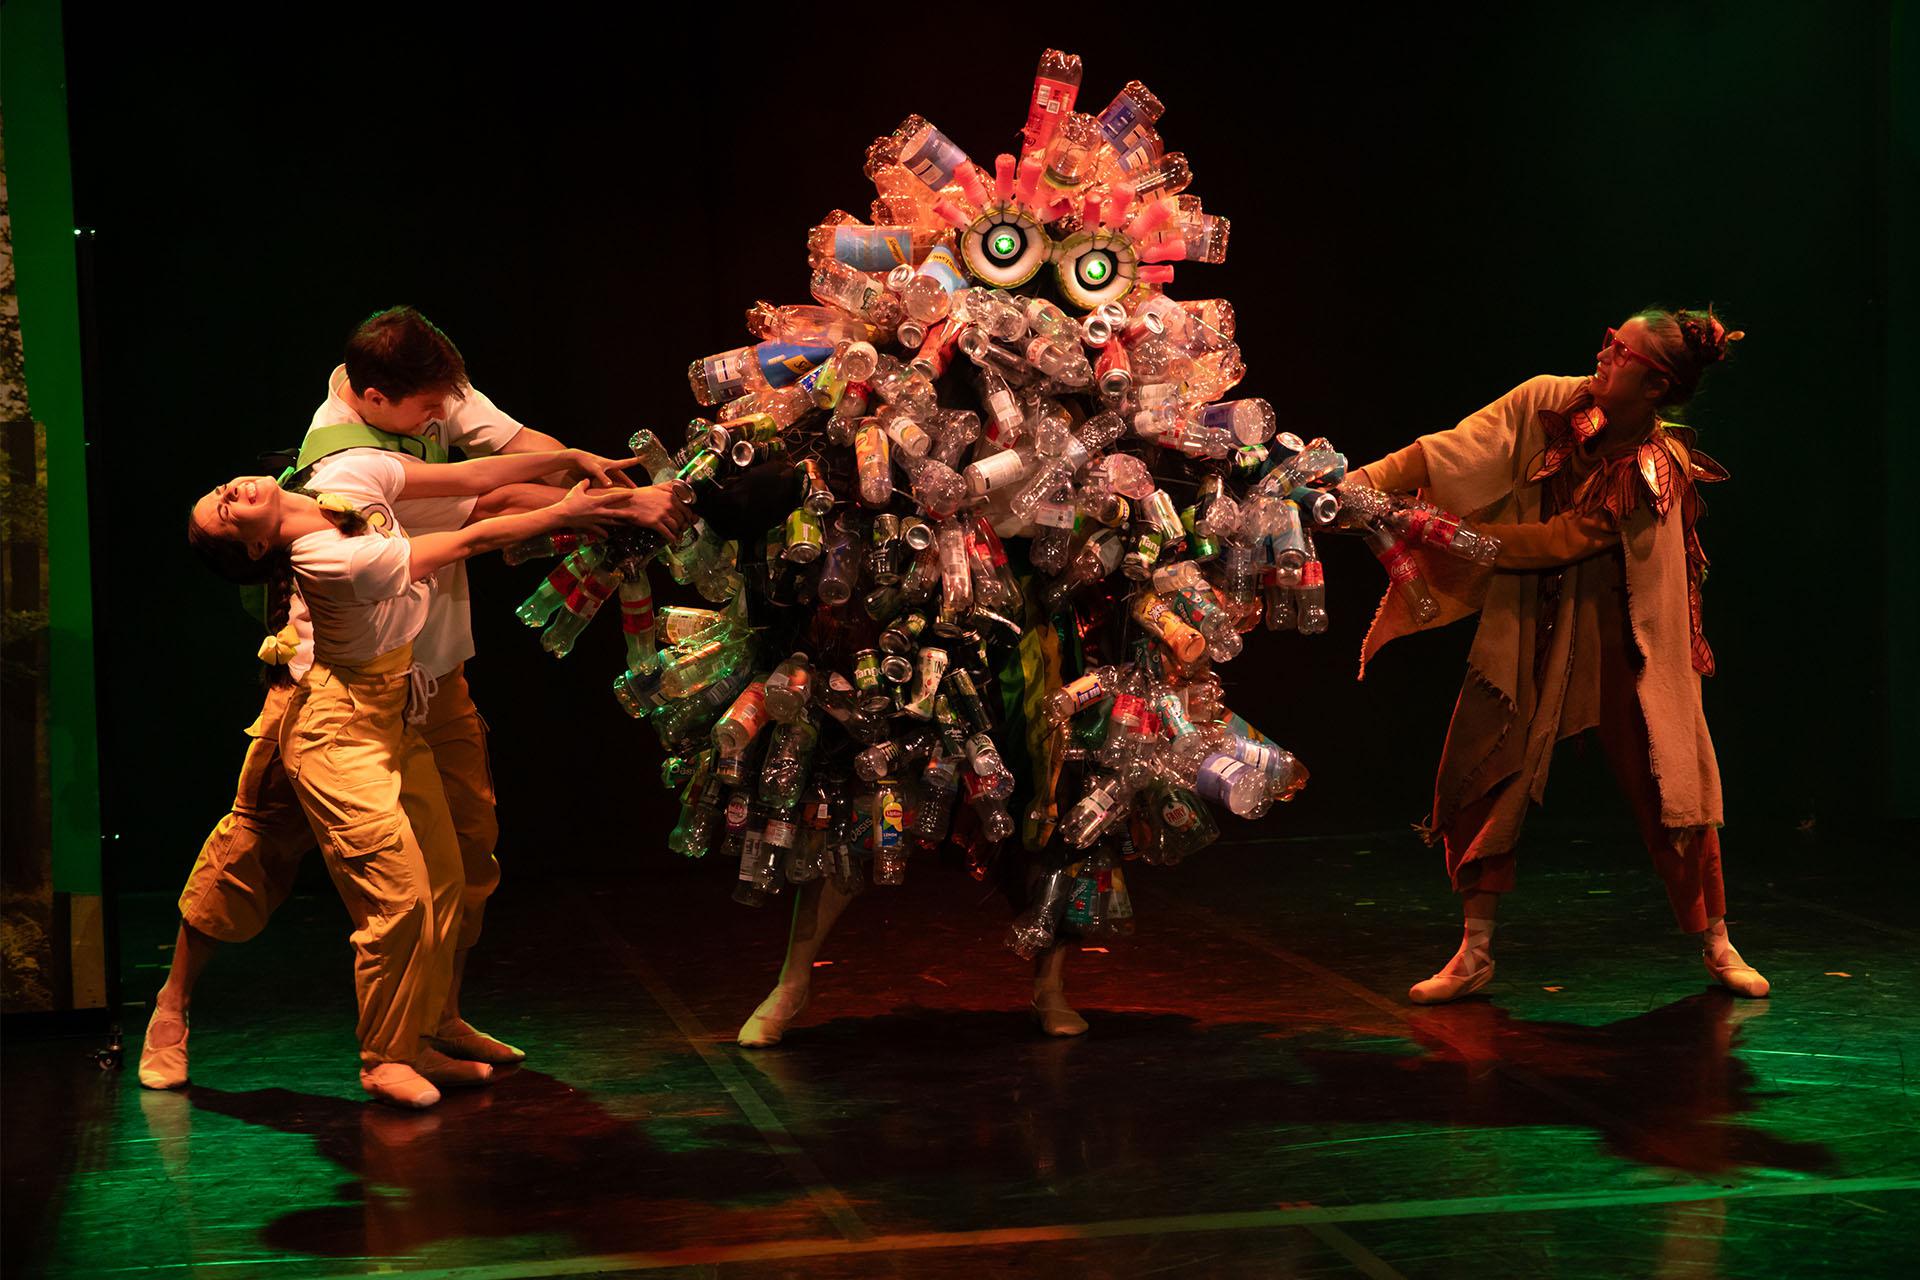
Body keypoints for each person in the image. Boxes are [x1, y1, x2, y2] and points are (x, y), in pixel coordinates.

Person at [141, 306, 688, 1090]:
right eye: (430, 409)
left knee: (463, 859)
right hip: (321, 695)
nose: (444, 416)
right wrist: (602, 505)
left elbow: (496, 457)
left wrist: (584, 463)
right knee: (253, 853)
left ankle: (431, 1019)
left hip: (428, 677)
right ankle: (172, 1002)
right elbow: (480, 516)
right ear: (371, 397)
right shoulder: (339, 471)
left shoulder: (419, 390)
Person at [1350, 307, 1769, 1005]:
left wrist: (1443, 530)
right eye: (1609, 339)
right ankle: (1475, 949)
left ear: (1656, 385)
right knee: (1484, 763)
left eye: (1622, 351)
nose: (1604, 352)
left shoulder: (1654, 466)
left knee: (1674, 782)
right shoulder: (1549, 401)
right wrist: (1366, 483)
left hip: (1624, 638)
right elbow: (1459, 447)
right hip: (1537, 622)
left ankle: (1718, 939)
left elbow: (1563, 541)